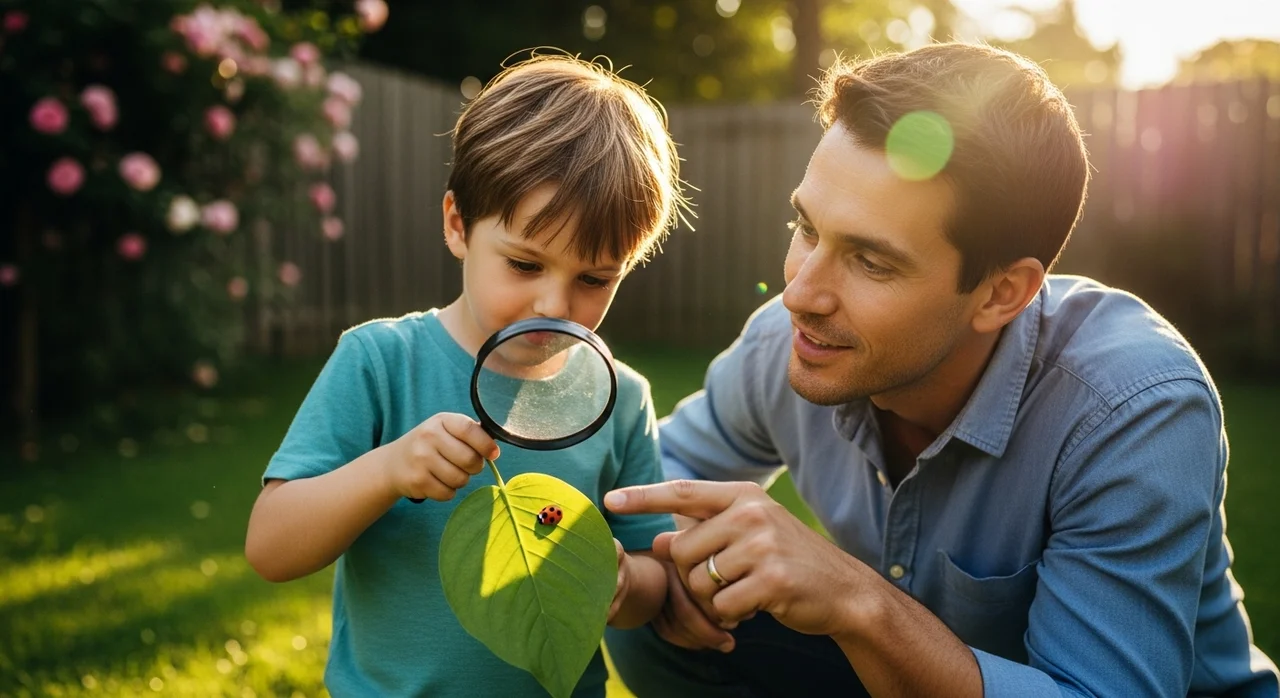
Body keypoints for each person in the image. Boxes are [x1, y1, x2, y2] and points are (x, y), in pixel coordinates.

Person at [603, 42, 1280, 697]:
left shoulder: (1133, 407)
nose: (800, 294)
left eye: (871, 261)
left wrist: (853, 599)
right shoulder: (787, 341)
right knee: (655, 608)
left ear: (1000, 293)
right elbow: (641, 491)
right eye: (806, 227)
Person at [244, 54, 689, 697]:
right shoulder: (379, 362)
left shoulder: (621, 398)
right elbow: (271, 546)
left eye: (595, 279)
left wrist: (623, 583)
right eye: (525, 265)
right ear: (458, 225)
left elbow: (654, 577)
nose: (555, 307)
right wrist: (388, 469)